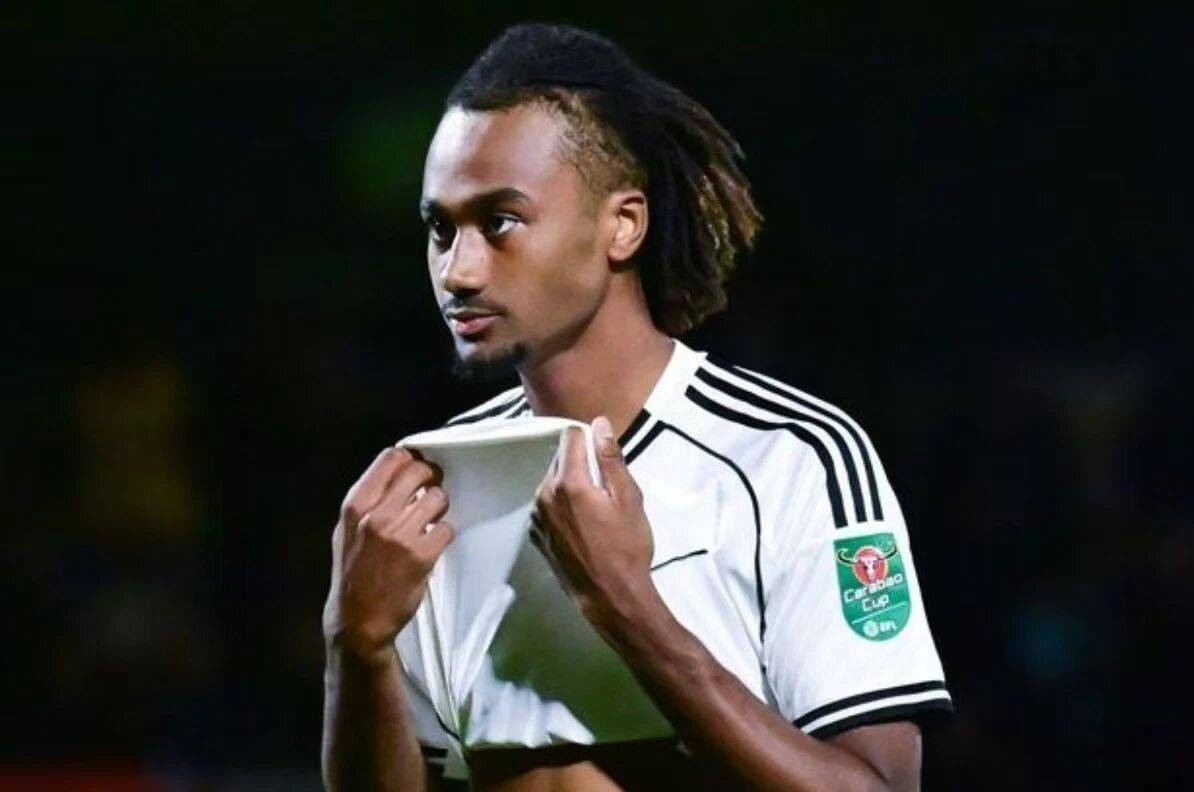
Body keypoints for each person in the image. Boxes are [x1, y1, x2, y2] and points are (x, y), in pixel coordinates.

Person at [322, 23, 952, 791]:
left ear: (622, 224)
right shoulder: (438, 480)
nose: (458, 270)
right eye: (440, 228)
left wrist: (626, 603)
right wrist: (356, 645)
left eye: (499, 222)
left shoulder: (788, 457)